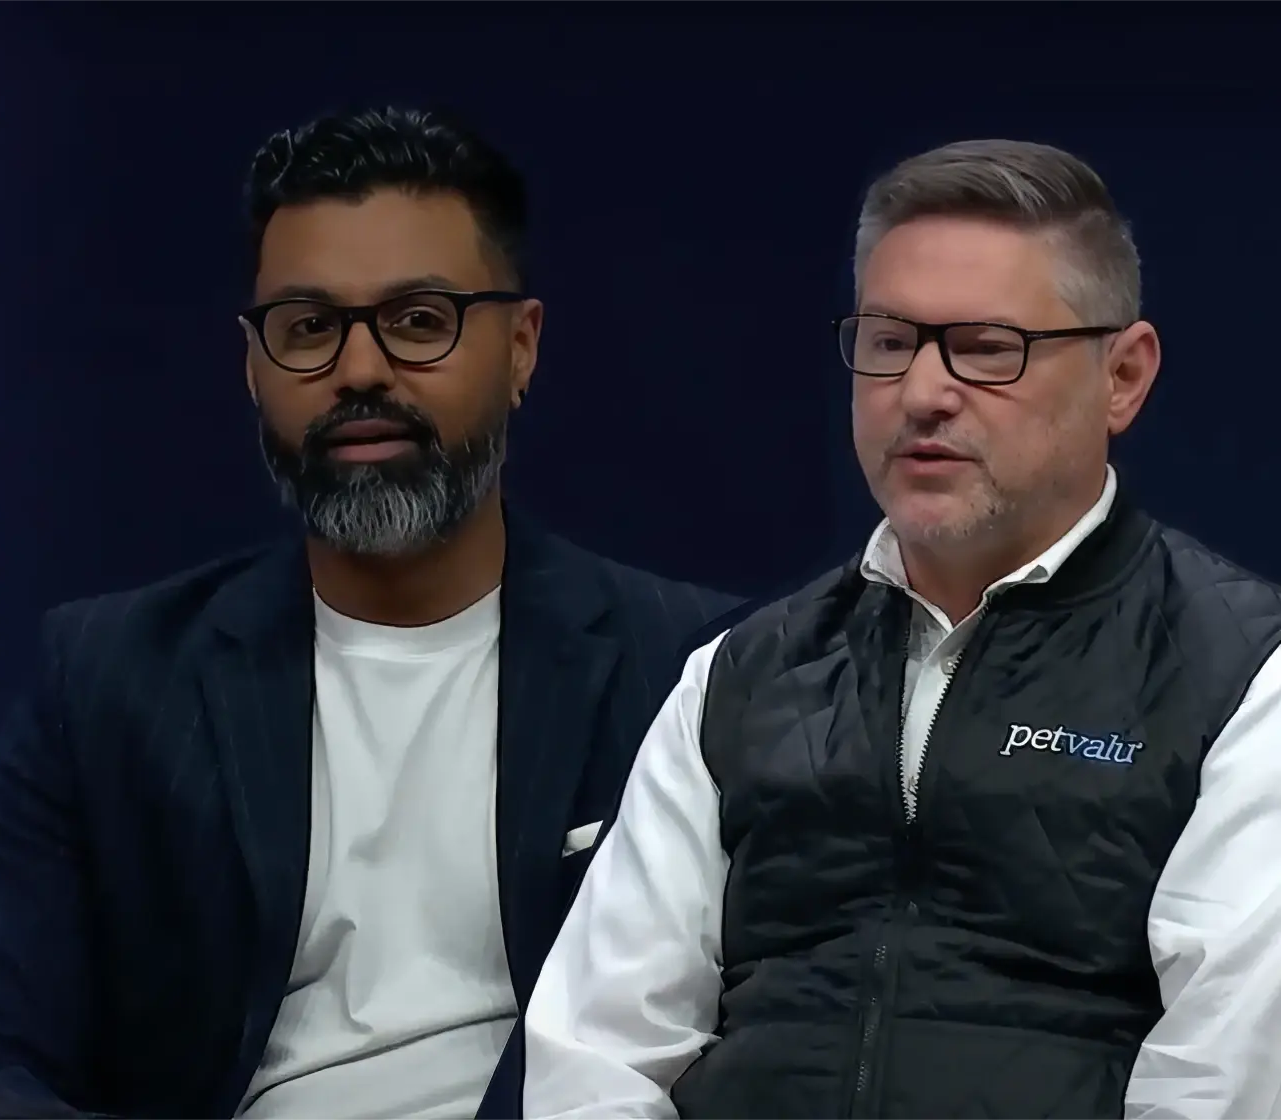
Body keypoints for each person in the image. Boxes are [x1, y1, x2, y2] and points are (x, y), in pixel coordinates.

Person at [0, 105, 744, 1120]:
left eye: (418, 320)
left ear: (521, 347)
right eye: (307, 328)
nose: (359, 370)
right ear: (253, 364)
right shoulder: (111, 677)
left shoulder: (689, 667)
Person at [521, 138, 1281, 1120]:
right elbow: (597, 1054)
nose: (922, 391)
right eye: (889, 342)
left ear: (1122, 376)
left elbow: (1228, 1081)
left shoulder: (1242, 678)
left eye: (986, 346)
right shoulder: (740, 676)